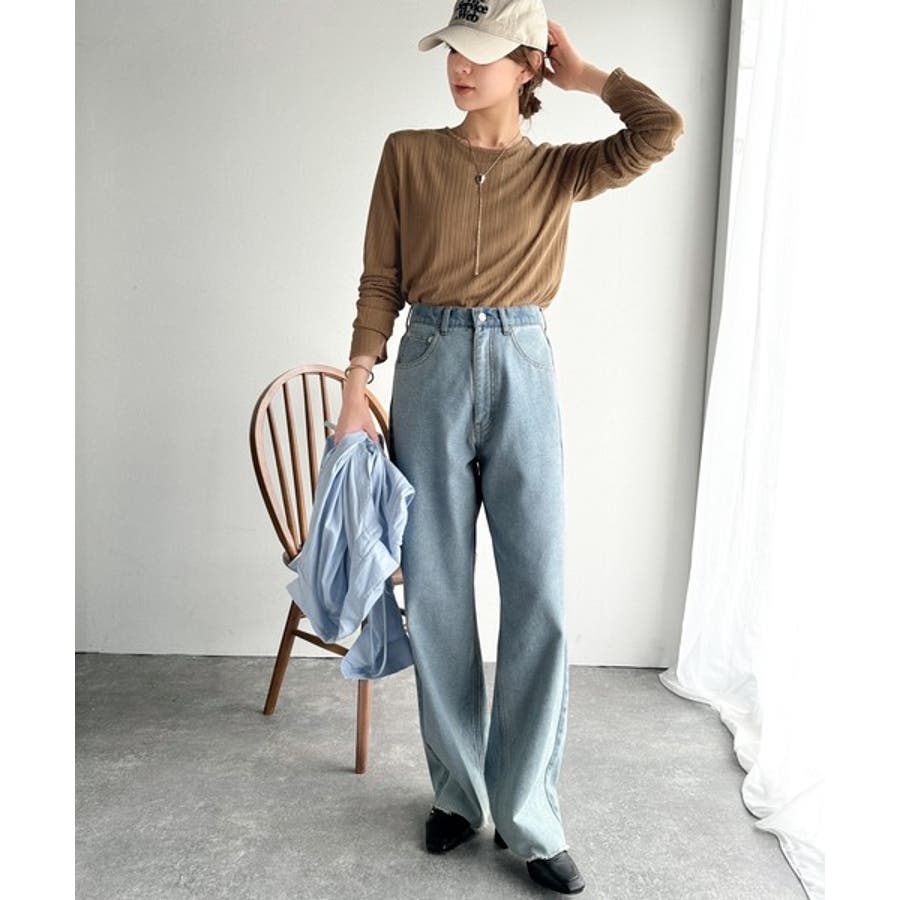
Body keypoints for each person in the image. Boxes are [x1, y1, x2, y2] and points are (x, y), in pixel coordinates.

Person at [333, 0, 685, 893]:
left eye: (483, 52)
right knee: (438, 591)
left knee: (540, 596)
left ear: (528, 65)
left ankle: (529, 814)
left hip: (523, 367)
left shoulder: (563, 170)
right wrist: (355, 384)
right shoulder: (408, 154)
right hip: (430, 366)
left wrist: (590, 75)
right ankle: (457, 794)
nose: (461, 66)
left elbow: (661, 129)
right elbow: (380, 278)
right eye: (454, 49)